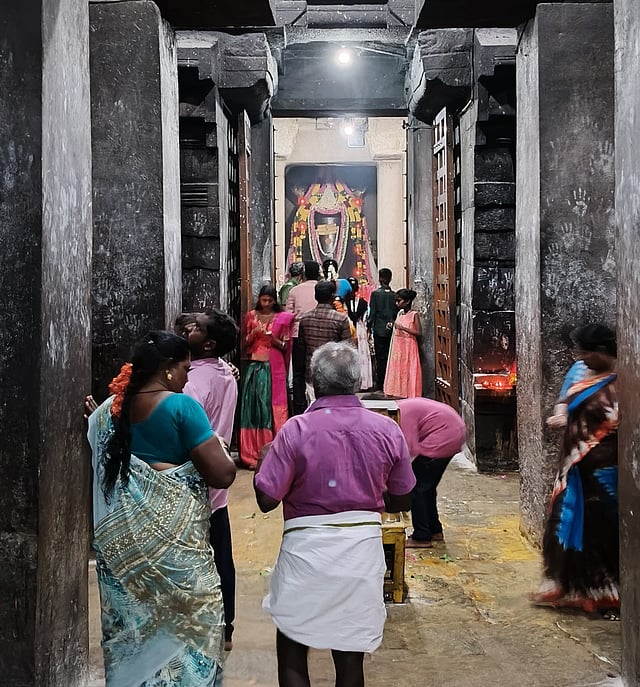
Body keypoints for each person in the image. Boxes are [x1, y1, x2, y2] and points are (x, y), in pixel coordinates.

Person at [253, 342, 416, 687]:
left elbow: (267, 499)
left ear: (314, 381)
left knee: (293, 645)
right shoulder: (387, 430)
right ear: (357, 382)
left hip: (305, 550)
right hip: (360, 551)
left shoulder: (296, 429)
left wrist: (266, 461)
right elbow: (403, 499)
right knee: (349, 653)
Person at [86, 331, 236, 687]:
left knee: (133, 628)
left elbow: (101, 441)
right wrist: (218, 445)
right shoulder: (181, 407)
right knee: (191, 626)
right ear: (168, 369)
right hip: (174, 554)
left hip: (124, 553)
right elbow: (222, 474)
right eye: (185, 369)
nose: (186, 378)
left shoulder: (109, 410)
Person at [530, 323, 619, 614]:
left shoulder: (626, 377)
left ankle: (604, 592)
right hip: (574, 466)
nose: (581, 358)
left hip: (606, 470)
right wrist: (562, 416)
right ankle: (564, 584)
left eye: (586, 353)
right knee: (562, 522)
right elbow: (565, 399)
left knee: (601, 529)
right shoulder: (581, 370)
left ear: (603, 351)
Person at [182, 309, 240, 651]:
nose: (190, 328)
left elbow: (185, 432)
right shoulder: (225, 373)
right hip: (217, 483)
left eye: (197, 328)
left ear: (209, 344)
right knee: (221, 555)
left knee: (195, 556)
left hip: (193, 479)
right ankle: (226, 626)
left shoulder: (193, 382)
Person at [397, 398, 467, 548]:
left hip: (444, 437)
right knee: (427, 487)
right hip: (453, 432)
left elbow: (409, 448)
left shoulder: (402, 413)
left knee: (416, 487)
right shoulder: (404, 407)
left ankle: (422, 536)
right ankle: (434, 529)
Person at [240, 285, 294, 468]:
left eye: (270, 301)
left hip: (273, 368)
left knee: (268, 408)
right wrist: (254, 334)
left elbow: (286, 346)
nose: (267, 304)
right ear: (259, 299)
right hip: (254, 366)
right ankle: (251, 453)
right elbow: (243, 345)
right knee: (253, 408)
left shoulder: (283, 318)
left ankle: (273, 451)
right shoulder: (251, 316)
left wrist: (272, 339)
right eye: (264, 300)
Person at [298, 280, 352, 406]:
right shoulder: (341, 319)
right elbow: (348, 349)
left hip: (311, 371)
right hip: (335, 373)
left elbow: (301, 348)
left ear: (315, 296)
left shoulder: (305, 319)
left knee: (314, 406)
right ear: (332, 296)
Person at [286, 261, 321, 415]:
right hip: (318, 332)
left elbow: (288, 315)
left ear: (303, 273)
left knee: (298, 372)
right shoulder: (322, 289)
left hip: (298, 333)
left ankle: (299, 407)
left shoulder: (295, 290)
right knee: (319, 369)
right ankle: (319, 403)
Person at [383, 288, 422, 398]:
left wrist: (403, 328)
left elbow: (419, 332)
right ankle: (398, 391)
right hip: (398, 346)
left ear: (407, 301)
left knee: (408, 368)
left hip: (409, 346)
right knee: (398, 368)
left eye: (399, 301)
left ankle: (409, 392)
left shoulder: (414, 314)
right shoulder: (400, 314)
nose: (397, 303)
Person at [368, 268, 397, 389]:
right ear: (390, 279)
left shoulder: (375, 294)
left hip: (379, 329)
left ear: (380, 279)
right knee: (390, 356)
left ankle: (380, 383)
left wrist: (369, 327)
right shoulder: (394, 295)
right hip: (391, 330)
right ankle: (389, 382)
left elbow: (372, 313)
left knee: (380, 357)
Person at [346, 276, 373, 390]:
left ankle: (360, 382)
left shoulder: (360, 302)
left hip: (355, 328)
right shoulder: (362, 302)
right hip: (357, 328)